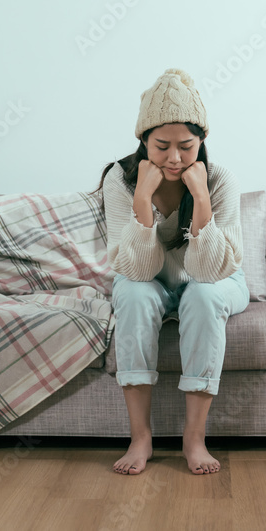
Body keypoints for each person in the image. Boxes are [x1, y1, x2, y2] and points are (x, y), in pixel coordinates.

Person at [93, 68, 249, 475]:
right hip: (151, 279)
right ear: (143, 140)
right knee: (130, 293)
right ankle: (140, 437)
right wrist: (143, 198)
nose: (175, 158)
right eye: (161, 146)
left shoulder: (219, 179)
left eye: (187, 146)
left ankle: (194, 439)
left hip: (217, 279)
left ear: (202, 142)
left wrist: (201, 198)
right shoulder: (120, 180)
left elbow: (209, 269)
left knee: (203, 294)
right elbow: (139, 271)